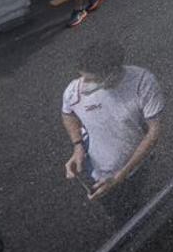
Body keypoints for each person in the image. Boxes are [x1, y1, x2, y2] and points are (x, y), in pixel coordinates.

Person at [62, 41, 163, 221]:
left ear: (113, 73)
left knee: (140, 204)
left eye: (91, 79)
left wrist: (120, 176)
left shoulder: (143, 83)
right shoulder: (73, 90)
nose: (83, 84)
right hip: (99, 171)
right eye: (83, 77)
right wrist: (77, 146)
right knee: (117, 213)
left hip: (136, 166)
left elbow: (153, 133)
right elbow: (68, 113)